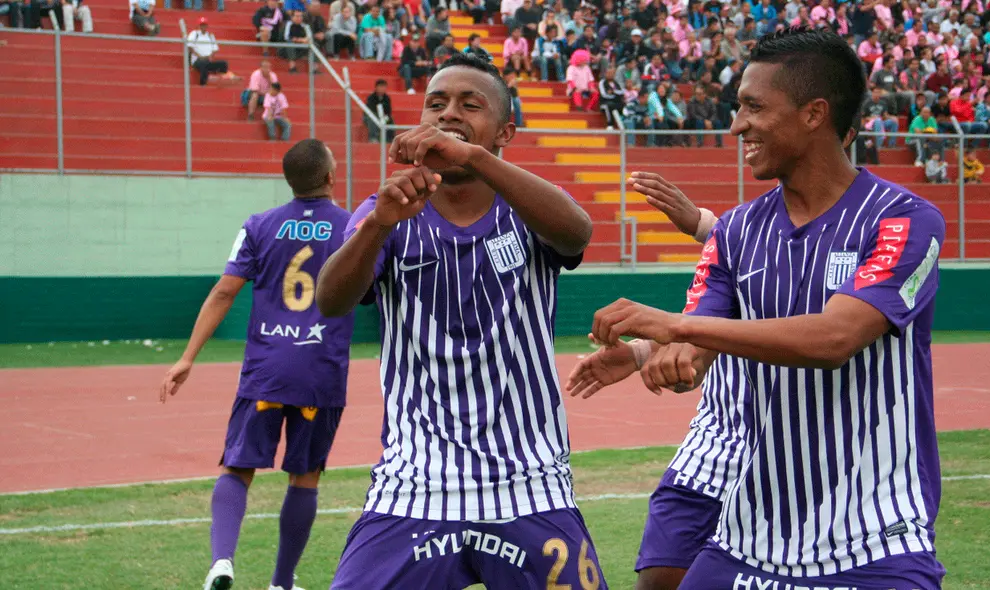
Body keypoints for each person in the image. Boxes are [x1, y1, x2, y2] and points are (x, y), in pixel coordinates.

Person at [576, 28, 947, 589]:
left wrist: (674, 326)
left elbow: (835, 339)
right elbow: (694, 351)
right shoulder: (735, 232)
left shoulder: (904, 220)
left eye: (753, 107)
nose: (736, 125)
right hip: (748, 541)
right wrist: (664, 356)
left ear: (814, 114)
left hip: (876, 539)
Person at [316, 52, 607, 590]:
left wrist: (475, 159)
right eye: (436, 103)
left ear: (504, 132)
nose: (449, 114)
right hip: (414, 483)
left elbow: (577, 233)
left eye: (470, 106)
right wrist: (378, 226)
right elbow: (330, 302)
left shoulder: (527, 203)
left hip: (530, 482)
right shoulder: (385, 210)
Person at [158, 139, 355, 590]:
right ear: (330, 177)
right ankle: (282, 582)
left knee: (237, 467)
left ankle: (221, 564)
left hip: (266, 369)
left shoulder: (258, 225)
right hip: (320, 371)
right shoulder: (351, 227)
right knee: (304, 477)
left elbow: (225, 291)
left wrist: (187, 357)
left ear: (289, 181)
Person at [187, 18, 238, 86]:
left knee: (224, 63)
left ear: (207, 26)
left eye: (204, 25)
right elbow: (190, 47)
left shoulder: (210, 35)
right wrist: (199, 56)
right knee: (203, 64)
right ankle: (203, 84)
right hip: (197, 60)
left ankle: (221, 79)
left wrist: (210, 56)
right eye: (201, 25)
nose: (203, 27)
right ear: (198, 26)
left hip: (208, 60)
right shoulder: (194, 34)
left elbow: (214, 49)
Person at [364, 78, 394, 143]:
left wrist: (385, 116)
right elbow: (371, 110)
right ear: (376, 87)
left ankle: (390, 139)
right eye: (381, 86)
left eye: (384, 87)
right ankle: (373, 138)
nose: (382, 89)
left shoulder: (387, 98)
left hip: (383, 117)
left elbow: (388, 111)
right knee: (372, 118)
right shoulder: (371, 98)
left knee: (390, 119)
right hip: (371, 117)